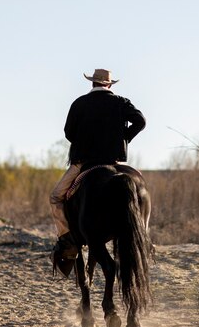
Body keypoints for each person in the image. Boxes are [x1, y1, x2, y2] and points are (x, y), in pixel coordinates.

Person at [50, 68, 146, 270]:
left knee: (56, 197)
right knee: (141, 188)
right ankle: (144, 236)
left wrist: (86, 140)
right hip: (116, 161)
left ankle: (68, 243)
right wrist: (124, 137)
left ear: (92, 83)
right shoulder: (121, 102)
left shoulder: (79, 103)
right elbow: (141, 121)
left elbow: (69, 133)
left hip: (84, 163)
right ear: (109, 85)